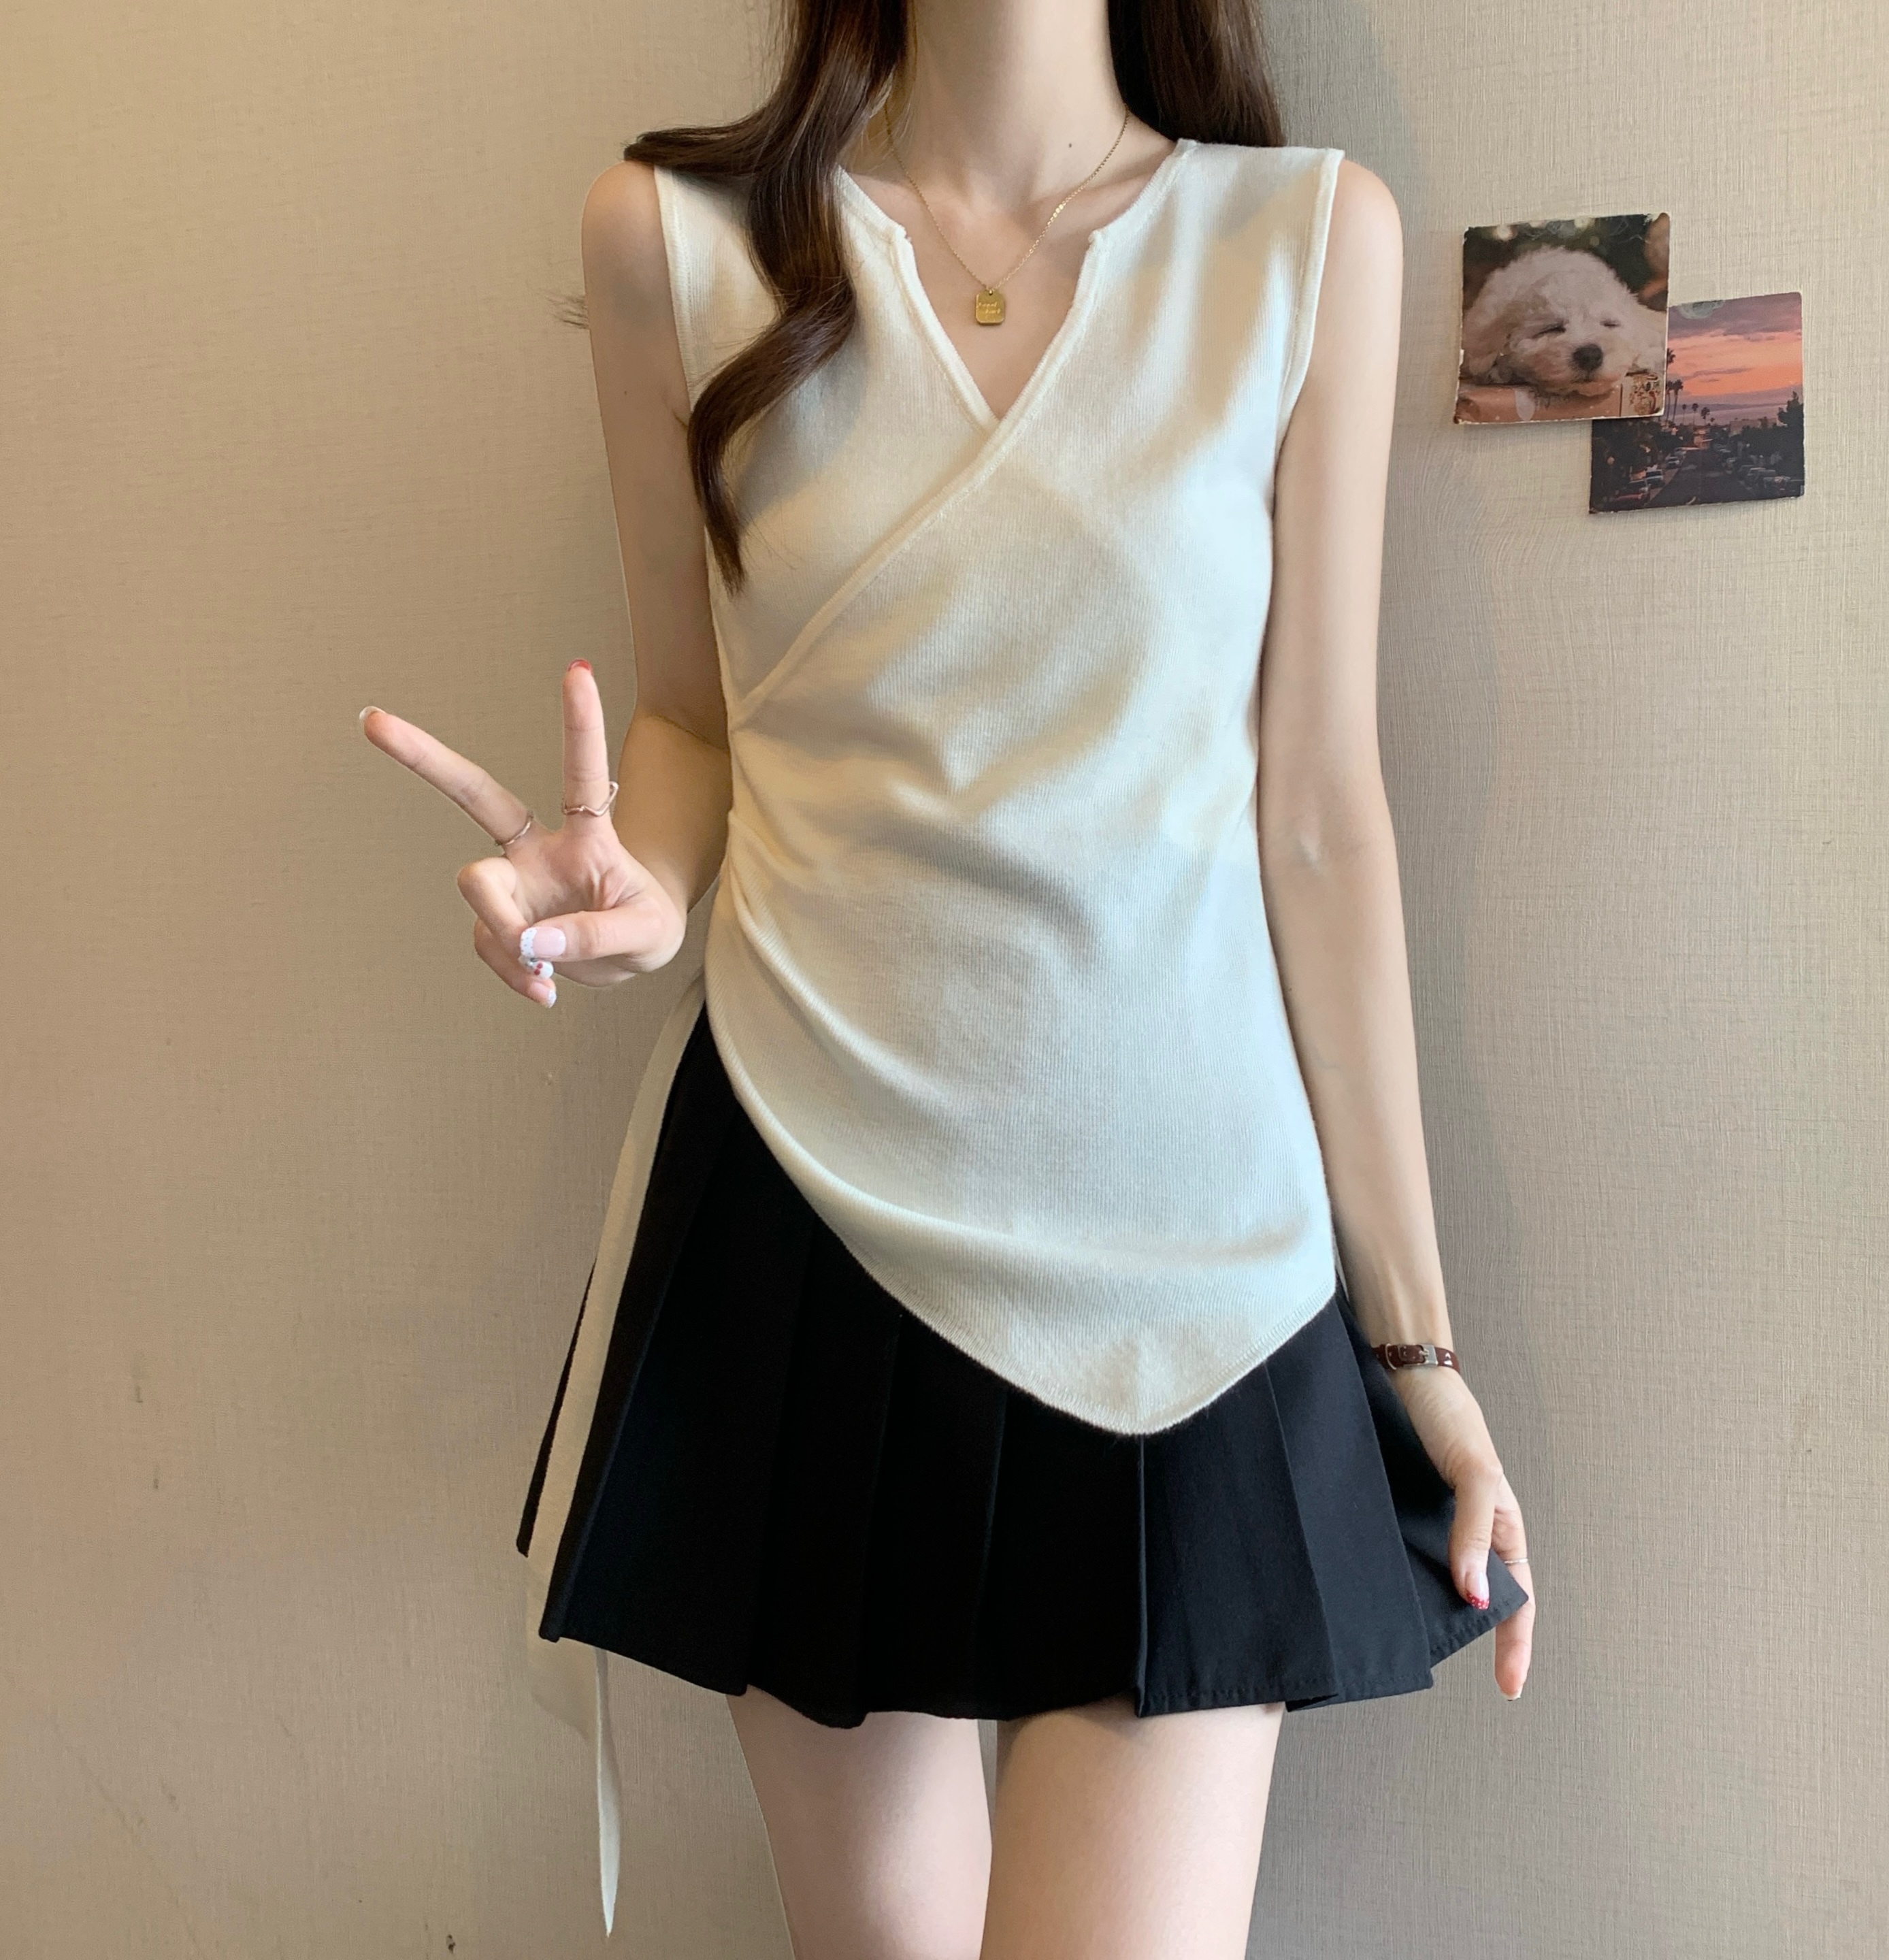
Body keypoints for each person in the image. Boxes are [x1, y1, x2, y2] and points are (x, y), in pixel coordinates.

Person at [361, 1, 1536, 1951]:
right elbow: (691, 719)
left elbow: (1322, 813)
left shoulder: (1306, 240)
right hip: (817, 1211)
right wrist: (632, 882)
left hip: (1198, 1269)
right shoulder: (673, 241)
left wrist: (1421, 1353)